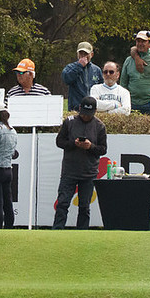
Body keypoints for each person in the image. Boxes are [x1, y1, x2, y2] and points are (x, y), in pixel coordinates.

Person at [52, 96, 107, 230]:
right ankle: (57, 230)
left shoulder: (99, 126)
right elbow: (59, 142)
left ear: (95, 111)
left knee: (84, 206)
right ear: (80, 109)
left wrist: (90, 146)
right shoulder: (69, 122)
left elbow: (103, 149)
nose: (85, 117)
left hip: (89, 172)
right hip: (69, 171)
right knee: (62, 203)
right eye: (83, 113)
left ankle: (82, 232)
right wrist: (73, 144)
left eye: (89, 114)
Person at [120, 30, 150, 114]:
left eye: (143, 41)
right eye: (138, 41)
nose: (140, 44)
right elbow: (123, 83)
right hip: (131, 103)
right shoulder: (128, 60)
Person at [61, 42, 103, 111]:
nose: (83, 56)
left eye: (86, 54)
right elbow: (66, 79)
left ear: (91, 54)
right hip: (76, 109)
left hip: (92, 109)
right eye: (81, 53)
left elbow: (101, 88)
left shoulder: (96, 70)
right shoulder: (70, 67)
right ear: (77, 54)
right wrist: (79, 66)